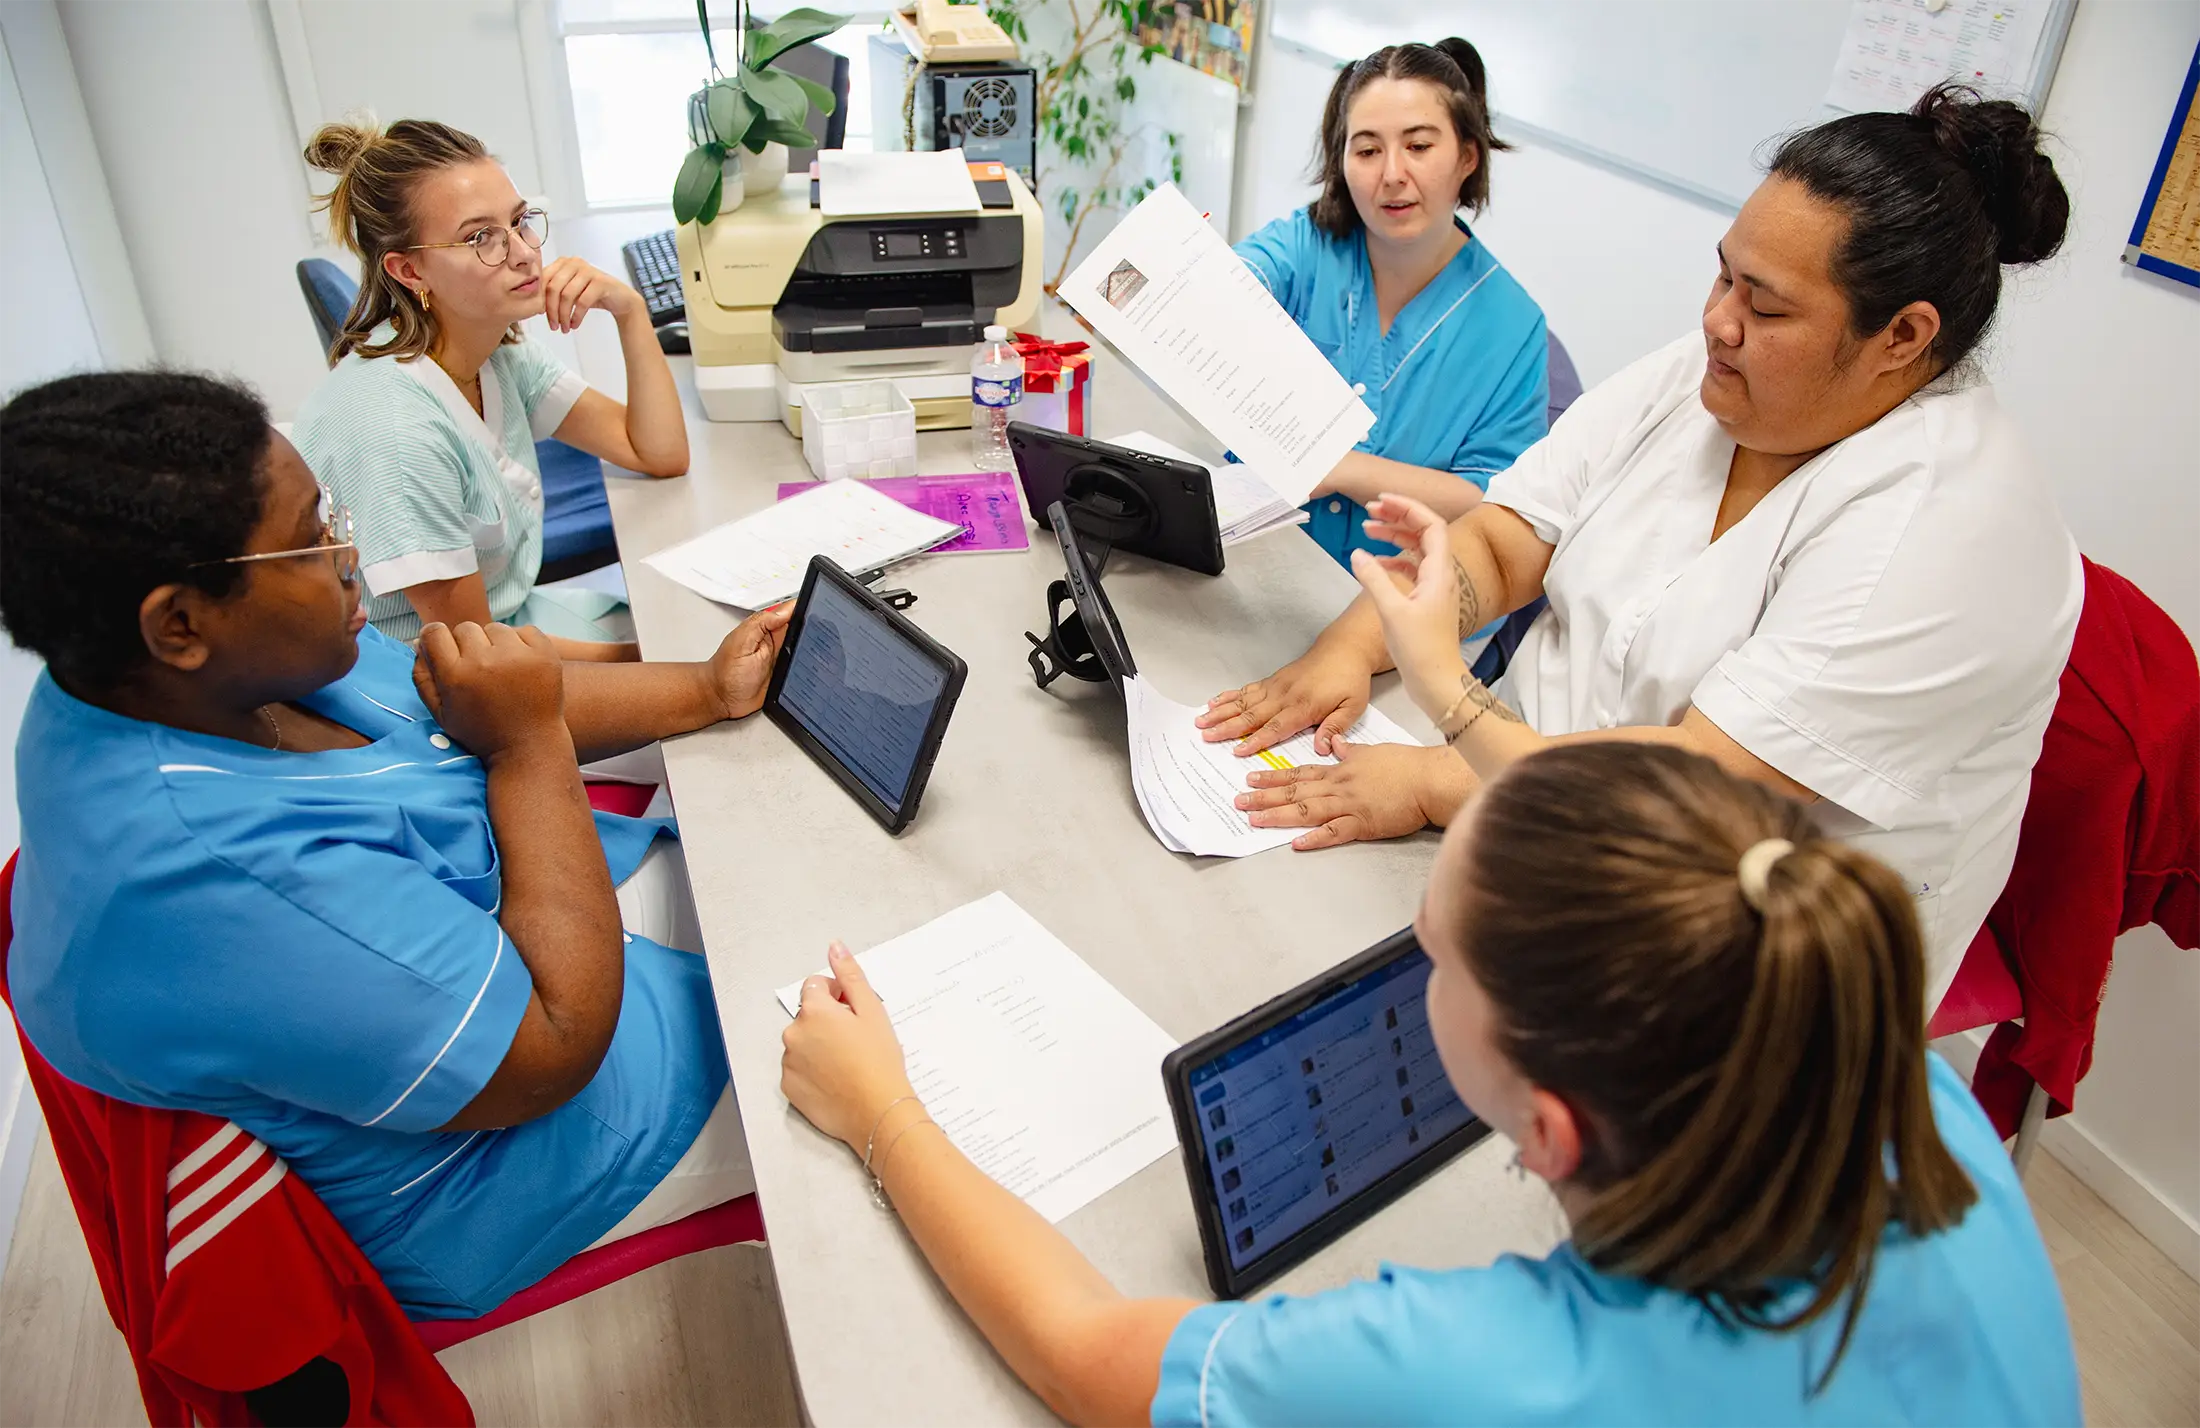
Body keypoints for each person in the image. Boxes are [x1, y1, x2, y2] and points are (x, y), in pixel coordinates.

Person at [780, 742, 2080, 1426]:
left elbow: (1083, 1361)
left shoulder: (1491, 1367)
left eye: (1433, 958)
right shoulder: (1903, 1092)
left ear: (1550, 1132)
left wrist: (882, 1109)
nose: (1413, 959)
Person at [1200, 85, 2081, 1009]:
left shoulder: (1947, 530)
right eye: (1723, 277)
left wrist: (1439, 748)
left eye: (1766, 306)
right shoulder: (1712, 373)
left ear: (1901, 336)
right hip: (1509, 796)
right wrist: (1349, 648)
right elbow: (1503, 544)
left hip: (1731, 957)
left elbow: (1689, 793)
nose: (1718, 321)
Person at [0, 371, 784, 1319]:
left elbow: (476, 692)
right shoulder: (215, 881)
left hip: (524, 929)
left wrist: (704, 689)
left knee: (786, 825)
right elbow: (553, 1047)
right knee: (880, 1018)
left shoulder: (166, 676)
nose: (350, 553)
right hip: (513, 1145)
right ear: (179, 624)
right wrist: (528, 745)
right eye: (313, 537)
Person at [291, 117, 686, 655]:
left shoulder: (489, 345)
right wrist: (659, 661)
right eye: (481, 238)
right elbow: (483, 663)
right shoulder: (397, 431)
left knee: (676, 631)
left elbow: (657, 452)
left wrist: (630, 311)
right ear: (409, 271)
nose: (523, 252)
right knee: (683, 657)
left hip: (504, 622)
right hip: (425, 675)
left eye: (520, 221)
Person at [1233, 39, 1548, 571]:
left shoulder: (1512, 328)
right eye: (1367, 151)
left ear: (1467, 156)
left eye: (1419, 146)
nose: (1392, 174)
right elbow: (1232, 283)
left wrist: (1341, 468)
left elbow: (1496, 506)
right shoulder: (1305, 245)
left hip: (1393, 596)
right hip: (1251, 561)